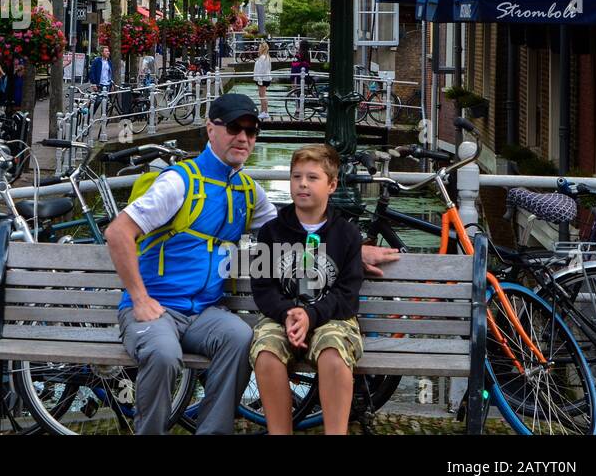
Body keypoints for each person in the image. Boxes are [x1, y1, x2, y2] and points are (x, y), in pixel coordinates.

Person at [103, 93, 397, 435]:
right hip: (156, 308)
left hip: (203, 312)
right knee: (164, 354)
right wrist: (139, 299)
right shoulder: (177, 182)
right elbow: (117, 233)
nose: (243, 138)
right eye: (234, 128)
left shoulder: (246, 190)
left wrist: (354, 250)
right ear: (210, 130)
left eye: (251, 131)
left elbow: (293, 233)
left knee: (241, 337)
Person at [250, 144, 364, 435]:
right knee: (266, 354)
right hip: (281, 317)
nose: (302, 184)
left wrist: (311, 316)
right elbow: (263, 289)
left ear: (332, 185)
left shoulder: (347, 234)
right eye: (296, 176)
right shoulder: (271, 232)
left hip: (332, 318)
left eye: (312, 178)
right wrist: (289, 313)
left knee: (333, 355)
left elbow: (346, 295)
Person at [253, 41, 272, 118]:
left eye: (259, 48)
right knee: (262, 95)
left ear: (262, 48)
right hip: (265, 78)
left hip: (263, 79)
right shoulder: (267, 57)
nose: (258, 49)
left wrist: (259, 80)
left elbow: (260, 70)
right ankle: (262, 111)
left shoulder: (262, 58)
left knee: (262, 95)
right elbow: (268, 69)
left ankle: (265, 112)